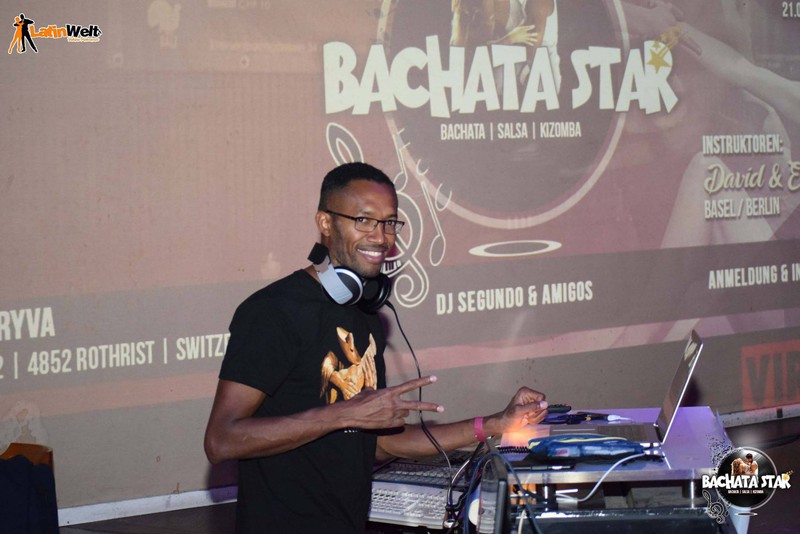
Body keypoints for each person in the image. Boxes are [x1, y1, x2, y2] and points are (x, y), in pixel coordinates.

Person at [204, 162, 548, 533]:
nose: (381, 237)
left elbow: (381, 445)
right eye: (364, 220)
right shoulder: (273, 312)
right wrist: (343, 414)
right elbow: (221, 440)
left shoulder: (366, 315)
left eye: (389, 223)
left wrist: (495, 423)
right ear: (325, 223)